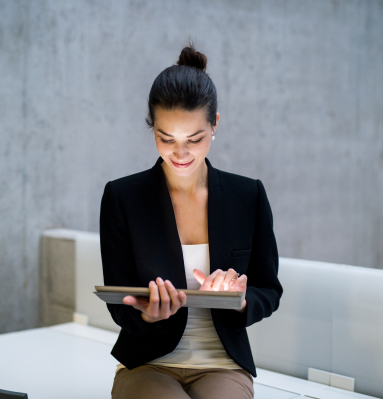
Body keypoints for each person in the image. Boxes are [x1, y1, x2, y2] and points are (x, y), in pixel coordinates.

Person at [99, 43, 283, 399]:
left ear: (215, 124)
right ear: (151, 126)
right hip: (148, 361)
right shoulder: (123, 197)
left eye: (194, 139)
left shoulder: (249, 196)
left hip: (222, 363)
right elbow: (118, 305)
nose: (179, 154)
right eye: (165, 138)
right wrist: (150, 315)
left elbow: (269, 290)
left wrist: (240, 299)